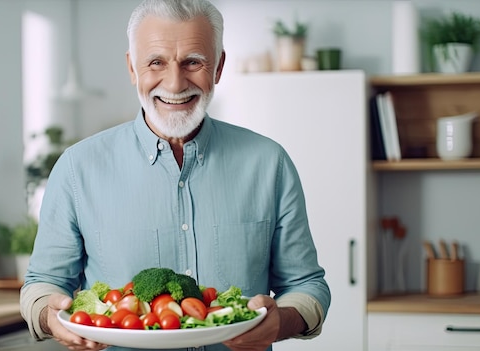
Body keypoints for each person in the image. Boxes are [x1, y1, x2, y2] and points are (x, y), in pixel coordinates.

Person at [20, 0, 330, 350]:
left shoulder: (269, 163)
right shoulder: (77, 168)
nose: (175, 82)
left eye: (193, 62)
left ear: (218, 67)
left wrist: (278, 322)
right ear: (132, 68)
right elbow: (43, 283)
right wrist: (51, 315)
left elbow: (307, 285)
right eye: (156, 62)